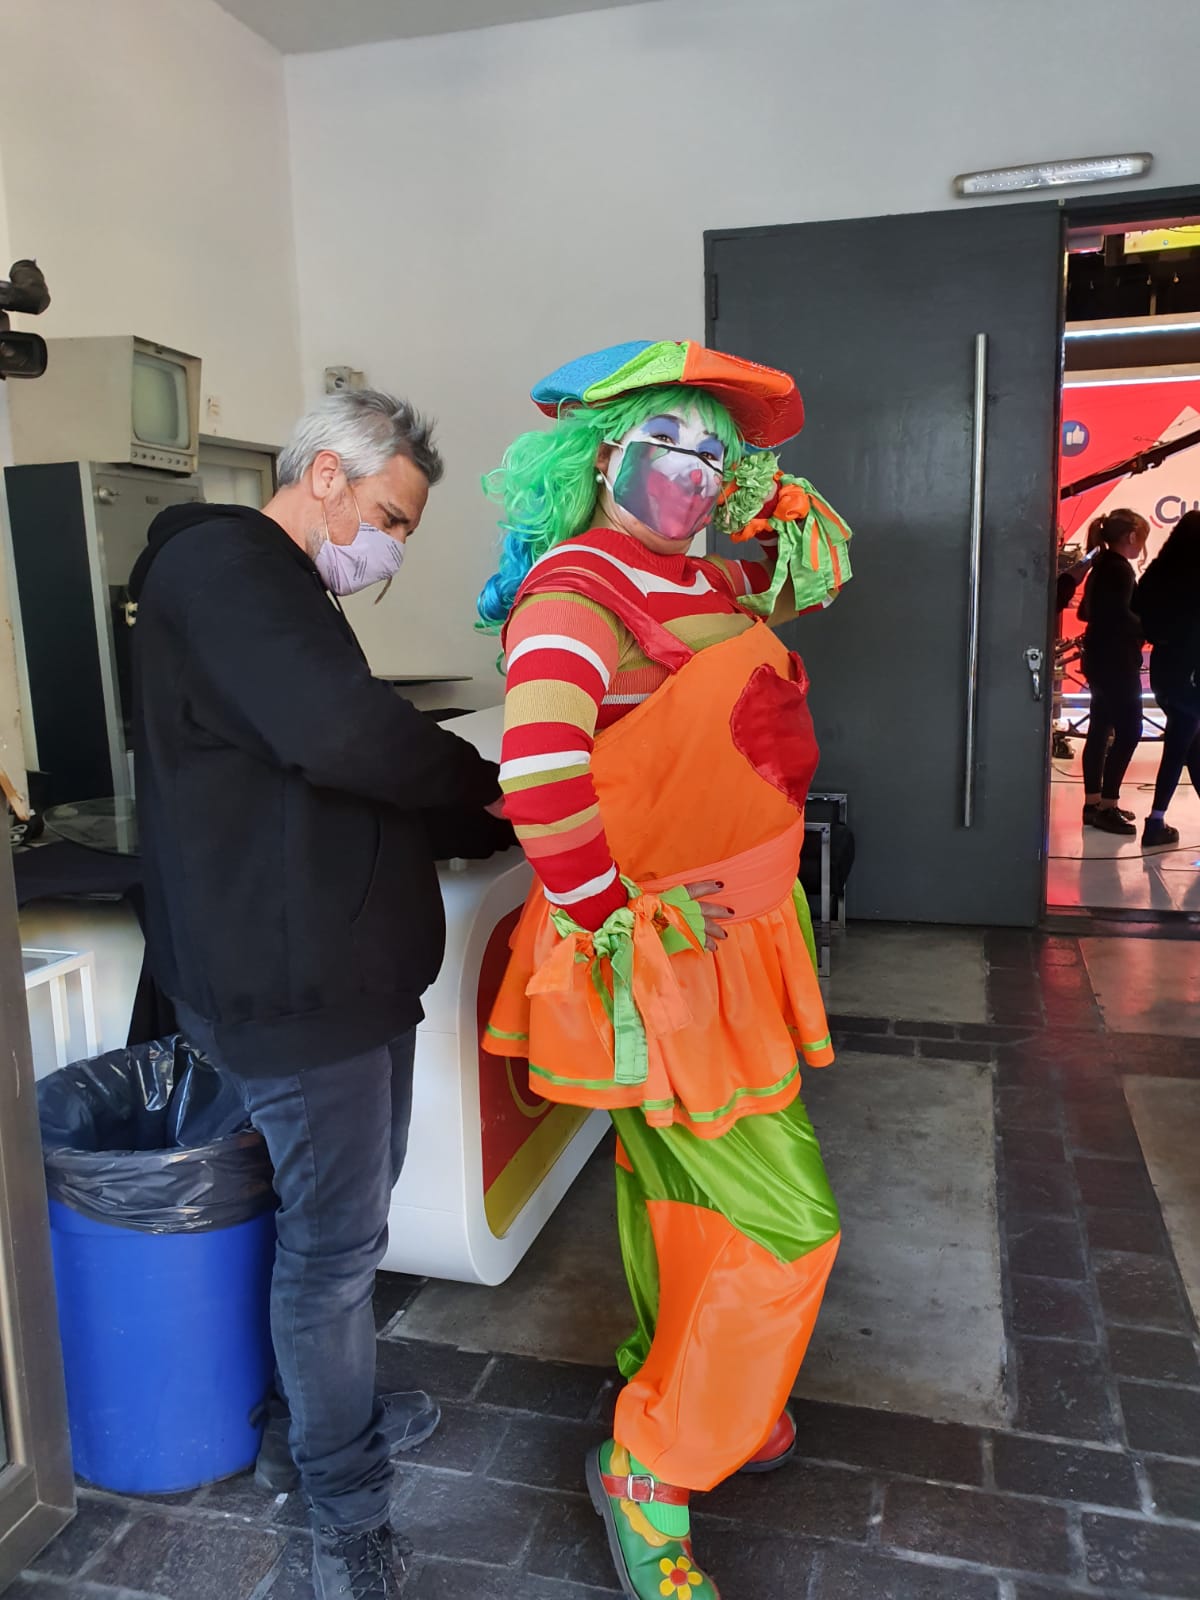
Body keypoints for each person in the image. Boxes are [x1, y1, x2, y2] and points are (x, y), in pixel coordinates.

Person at [477, 341, 852, 1600]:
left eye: (719, 455)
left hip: (740, 944)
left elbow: (797, 591)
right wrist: (612, 922)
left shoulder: (701, 576)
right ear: (603, 459)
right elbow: (536, 778)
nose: (700, 477)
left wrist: (784, 504)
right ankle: (656, 1459)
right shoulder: (578, 592)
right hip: (670, 960)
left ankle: (688, 1379)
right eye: (671, 451)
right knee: (789, 1226)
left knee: (672, 1182)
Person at [129, 390, 511, 1600]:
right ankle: (343, 1505)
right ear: (329, 478)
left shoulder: (275, 586)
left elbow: (333, 754)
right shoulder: (231, 566)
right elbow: (344, 736)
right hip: (296, 991)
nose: (390, 549)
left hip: (322, 976)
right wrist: (496, 790)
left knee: (330, 1234)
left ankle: (321, 1422)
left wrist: (463, 806)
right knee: (337, 1249)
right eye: (391, 518)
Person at [1078, 508, 1149, 835]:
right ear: (1132, 537)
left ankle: (1093, 803)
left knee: (1100, 728)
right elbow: (1120, 615)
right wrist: (1150, 626)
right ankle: (1108, 804)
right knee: (1130, 730)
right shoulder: (1119, 570)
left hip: (1099, 660)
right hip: (1117, 662)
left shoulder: (1100, 567)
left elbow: (1085, 612)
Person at [1134, 509, 1200, 848]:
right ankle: (1155, 820)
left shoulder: (1159, 571)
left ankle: (1157, 821)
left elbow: (1137, 606)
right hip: (1191, 670)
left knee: (1190, 744)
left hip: (1163, 667)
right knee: (1180, 746)